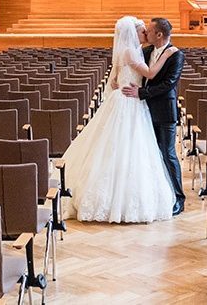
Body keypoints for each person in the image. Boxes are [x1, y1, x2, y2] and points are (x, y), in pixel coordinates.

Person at [60, 16, 178, 222]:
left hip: (130, 101)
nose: (145, 34)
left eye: (146, 31)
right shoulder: (132, 52)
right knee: (126, 148)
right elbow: (150, 74)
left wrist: (122, 81)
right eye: (142, 31)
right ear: (133, 33)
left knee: (129, 148)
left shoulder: (132, 51)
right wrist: (166, 54)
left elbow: (114, 80)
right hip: (130, 103)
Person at [122, 17, 186, 216]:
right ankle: (160, 194)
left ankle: (179, 198)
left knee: (168, 153)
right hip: (145, 111)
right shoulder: (146, 51)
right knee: (152, 154)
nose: (145, 33)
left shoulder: (176, 55)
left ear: (159, 34)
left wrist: (142, 93)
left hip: (165, 112)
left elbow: (169, 84)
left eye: (148, 31)